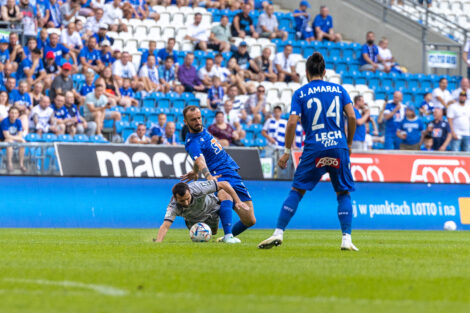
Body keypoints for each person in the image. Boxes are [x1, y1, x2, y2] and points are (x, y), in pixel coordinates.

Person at [258, 52, 358, 251]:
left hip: (314, 148)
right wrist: (348, 143)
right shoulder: (339, 90)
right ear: (325, 71)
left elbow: (292, 122)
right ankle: (346, 239)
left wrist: (287, 151)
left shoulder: (301, 93)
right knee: (343, 192)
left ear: (306, 72)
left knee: (297, 190)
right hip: (338, 146)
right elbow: (353, 117)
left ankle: (278, 232)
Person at [181, 105, 256, 239]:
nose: (197, 122)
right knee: (225, 195)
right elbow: (200, 159)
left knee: (250, 220)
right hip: (218, 174)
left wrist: (195, 171)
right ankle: (228, 236)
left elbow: (200, 159)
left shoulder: (204, 131)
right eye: (193, 120)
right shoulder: (192, 142)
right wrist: (209, 176)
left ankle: (224, 235)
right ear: (186, 122)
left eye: (199, 118)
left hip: (232, 172)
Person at [155, 180, 249, 243]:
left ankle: (228, 236)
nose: (186, 203)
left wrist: (238, 201)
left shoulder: (198, 187)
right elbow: (165, 226)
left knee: (224, 193)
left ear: (190, 192)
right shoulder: (173, 206)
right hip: (194, 220)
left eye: (187, 198)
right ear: (175, 198)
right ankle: (221, 237)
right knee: (209, 235)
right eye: (182, 201)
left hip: (212, 209)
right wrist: (158, 242)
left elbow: (224, 184)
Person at [0, 106, 26, 173]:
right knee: (10, 142)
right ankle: (9, 164)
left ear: (18, 114)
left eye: (15, 113)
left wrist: (20, 139)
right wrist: (19, 139)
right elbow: (6, 136)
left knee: (22, 144)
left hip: (12, 139)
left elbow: (20, 135)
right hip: (2, 141)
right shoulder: (5, 121)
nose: (14, 115)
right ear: (9, 113)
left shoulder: (18, 121)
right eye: (12, 113)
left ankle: (21, 164)